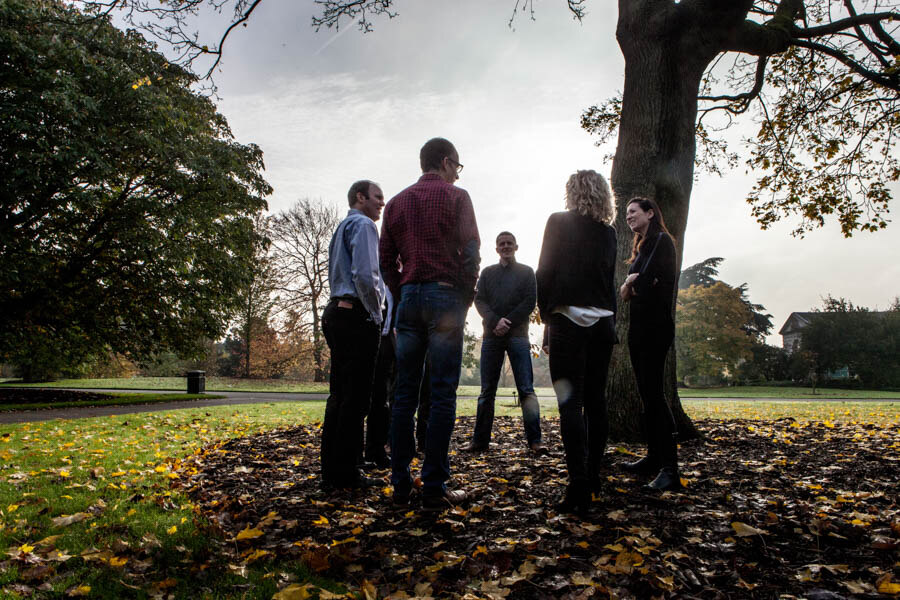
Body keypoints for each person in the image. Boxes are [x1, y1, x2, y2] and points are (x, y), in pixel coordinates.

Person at [380, 137, 480, 510]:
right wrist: (464, 297)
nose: (458, 173)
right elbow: (471, 250)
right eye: (457, 166)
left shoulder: (395, 203)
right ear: (446, 162)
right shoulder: (457, 197)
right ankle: (435, 487)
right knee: (441, 393)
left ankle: (401, 482)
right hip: (444, 297)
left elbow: (386, 260)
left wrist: (402, 290)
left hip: (409, 300)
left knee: (404, 394)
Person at [536, 170, 617, 513]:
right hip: (602, 322)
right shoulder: (609, 233)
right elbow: (608, 277)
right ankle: (594, 476)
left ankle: (578, 483)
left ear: (572, 193)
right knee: (596, 402)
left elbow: (545, 271)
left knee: (570, 403)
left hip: (568, 318)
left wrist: (546, 316)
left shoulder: (557, 221)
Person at [320, 180, 386, 490]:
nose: (381, 204)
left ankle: (332, 471)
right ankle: (347, 473)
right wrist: (376, 313)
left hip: (336, 312)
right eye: (377, 198)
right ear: (360, 197)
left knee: (339, 396)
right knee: (357, 399)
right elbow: (366, 274)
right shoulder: (363, 225)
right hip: (356, 315)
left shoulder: (341, 227)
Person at [619, 196, 681, 491]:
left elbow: (644, 284)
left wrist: (634, 282)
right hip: (639, 329)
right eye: (626, 213)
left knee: (655, 396)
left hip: (656, 329)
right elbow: (629, 289)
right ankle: (654, 458)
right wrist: (633, 281)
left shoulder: (663, 242)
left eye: (633, 212)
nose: (628, 216)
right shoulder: (642, 249)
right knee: (647, 396)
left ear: (650, 213)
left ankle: (671, 468)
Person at [466, 231, 543, 454]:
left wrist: (507, 322)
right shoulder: (488, 273)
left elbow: (530, 300)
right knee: (486, 391)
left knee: (526, 389)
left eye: (509, 243)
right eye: (502, 244)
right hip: (491, 337)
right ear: (497, 248)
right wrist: (495, 321)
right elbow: (479, 300)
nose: (506, 246)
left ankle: (535, 441)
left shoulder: (527, 272)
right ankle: (479, 442)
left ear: (516, 247)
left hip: (518, 336)